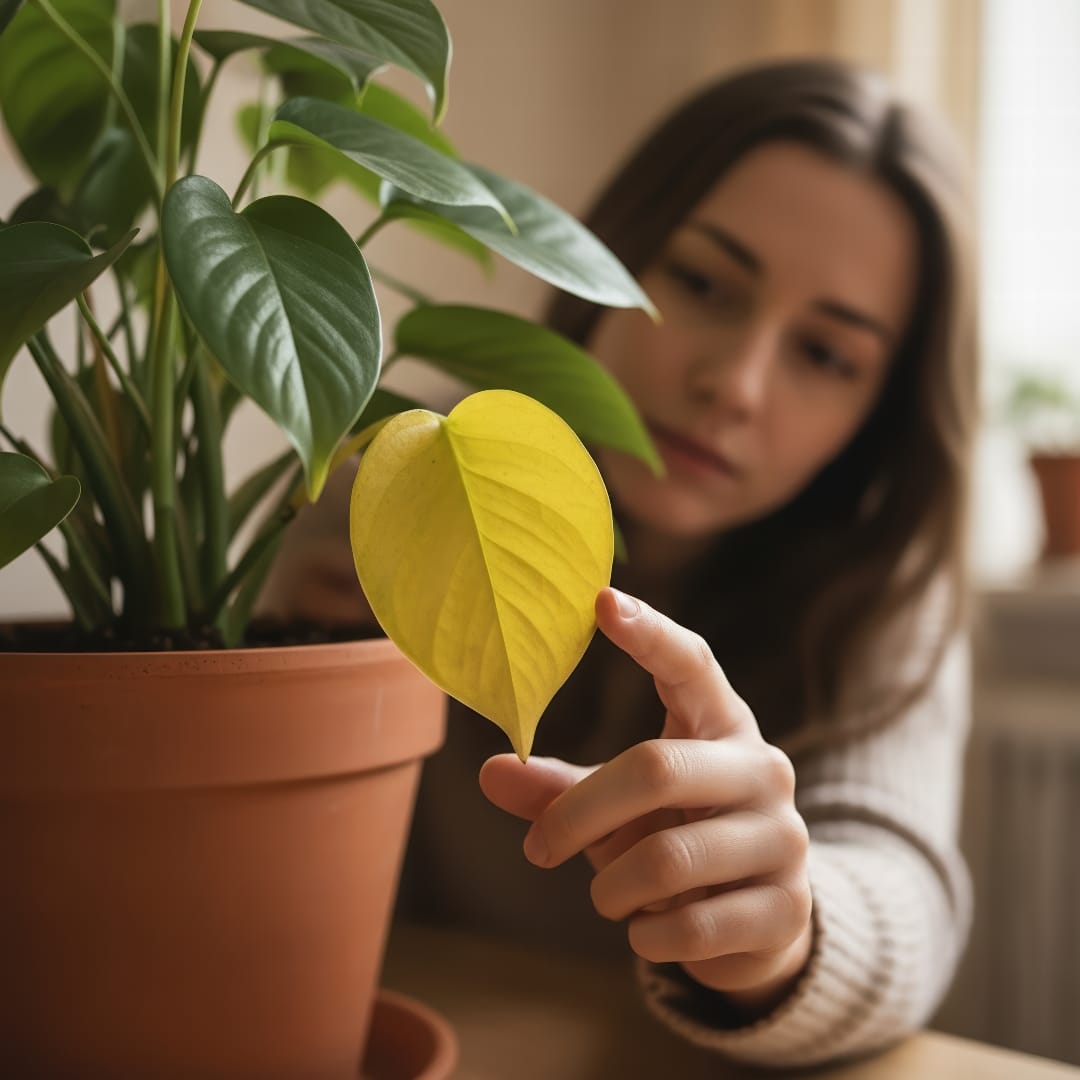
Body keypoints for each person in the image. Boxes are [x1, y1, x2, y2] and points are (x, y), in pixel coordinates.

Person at [264, 57, 978, 1069]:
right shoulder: (396, 481)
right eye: (701, 282)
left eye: (826, 356)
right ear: (611, 255)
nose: (732, 383)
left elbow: (900, 881)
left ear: (878, 419)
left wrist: (789, 928)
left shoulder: (883, 589)